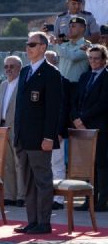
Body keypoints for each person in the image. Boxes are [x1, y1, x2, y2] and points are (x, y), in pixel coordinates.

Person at [13, 32, 62, 235]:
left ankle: (44, 222)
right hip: (24, 137)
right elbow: (21, 107)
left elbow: (53, 110)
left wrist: (49, 137)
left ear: (43, 47)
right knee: (28, 182)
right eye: (27, 44)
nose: (28, 48)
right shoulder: (24, 72)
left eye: (32, 44)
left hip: (40, 138)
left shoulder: (51, 73)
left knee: (42, 181)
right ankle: (32, 221)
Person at [71, 45, 108, 212]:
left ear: (104, 60)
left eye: (97, 58)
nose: (93, 61)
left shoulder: (106, 77)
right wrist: (76, 120)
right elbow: (75, 100)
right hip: (82, 128)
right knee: (87, 165)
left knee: (101, 164)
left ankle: (102, 201)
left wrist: (82, 119)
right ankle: (89, 199)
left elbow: (103, 103)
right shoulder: (85, 76)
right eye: (91, 58)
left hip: (99, 127)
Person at [0, 55, 25, 207]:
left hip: (18, 127)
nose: (8, 70)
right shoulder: (3, 85)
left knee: (19, 163)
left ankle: (21, 196)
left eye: (12, 66)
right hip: (3, 127)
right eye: (6, 66)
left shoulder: (23, 84)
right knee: (6, 164)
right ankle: (9, 195)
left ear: (19, 67)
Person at [44, 50, 71, 210]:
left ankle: (59, 199)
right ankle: (46, 196)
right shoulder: (38, 80)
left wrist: (60, 131)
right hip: (41, 132)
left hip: (56, 132)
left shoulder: (64, 82)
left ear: (55, 62)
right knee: (43, 166)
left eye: (48, 61)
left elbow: (64, 109)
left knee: (58, 165)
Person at [50, 16, 91, 85]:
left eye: (73, 26)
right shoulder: (64, 44)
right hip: (61, 84)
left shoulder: (87, 46)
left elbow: (73, 57)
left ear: (82, 28)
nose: (70, 29)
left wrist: (55, 45)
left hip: (76, 85)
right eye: (69, 26)